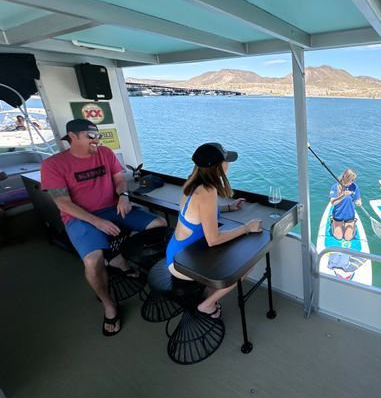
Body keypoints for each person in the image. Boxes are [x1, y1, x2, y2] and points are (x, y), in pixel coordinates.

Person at [41, 119, 167, 336]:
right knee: (92, 261)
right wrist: (97, 222)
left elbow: (119, 179)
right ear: (72, 136)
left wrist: (123, 196)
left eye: (98, 135)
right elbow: (63, 202)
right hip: (78, 217)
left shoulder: (106, 153)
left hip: (112, 208)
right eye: (91, 135)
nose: (96, 140)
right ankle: (109, 305)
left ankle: (143, 270)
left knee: (159, 224)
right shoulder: (53, 165)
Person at [166, 142, 262, 319]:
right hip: (182, 262)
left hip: (180, 252)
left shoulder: (194, 183)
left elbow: (200, 213)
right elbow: (213, 239)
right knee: (245, 267)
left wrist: (228, 208)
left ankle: (207, 293)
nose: (229, 164)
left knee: (234, 258)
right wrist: (247, 228)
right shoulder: (207, 192)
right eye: (226, 161)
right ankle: (206, 304)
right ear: (218, 168)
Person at [329, 168, 362, 241]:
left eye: (354, 180)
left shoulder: (354, 186)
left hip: (349, 214)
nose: (353, 182)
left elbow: (358, 199)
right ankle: (332, 220)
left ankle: (353, 222)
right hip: (338, 214)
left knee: (348, 238)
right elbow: (333, 202)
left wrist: (359, 202)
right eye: (352, 179)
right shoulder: (335, 186)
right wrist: (343, 195)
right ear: (347, 178)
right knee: (338, 237)